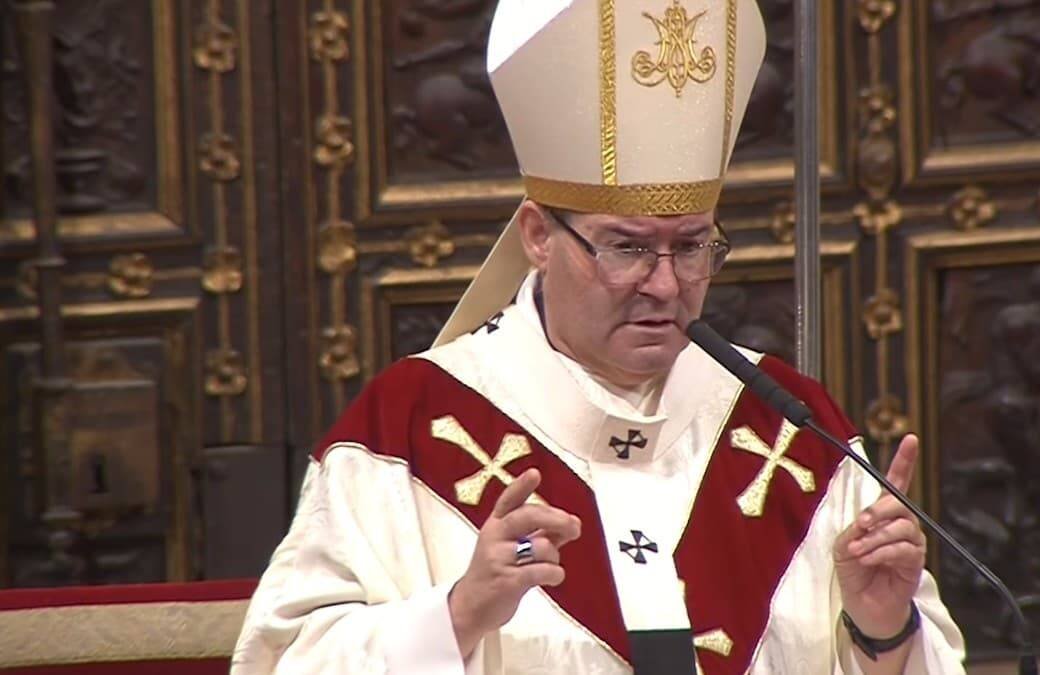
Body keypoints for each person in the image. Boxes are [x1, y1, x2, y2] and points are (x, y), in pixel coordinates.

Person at [231, 1, 966, 672]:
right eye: (627, 247)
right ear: (538, 236)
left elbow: (913, 653)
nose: (666, 285)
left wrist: (883, 632)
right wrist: (460, 614)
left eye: (692, 246)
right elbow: (286, 658)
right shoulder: (411, 425)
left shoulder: (792, 425)